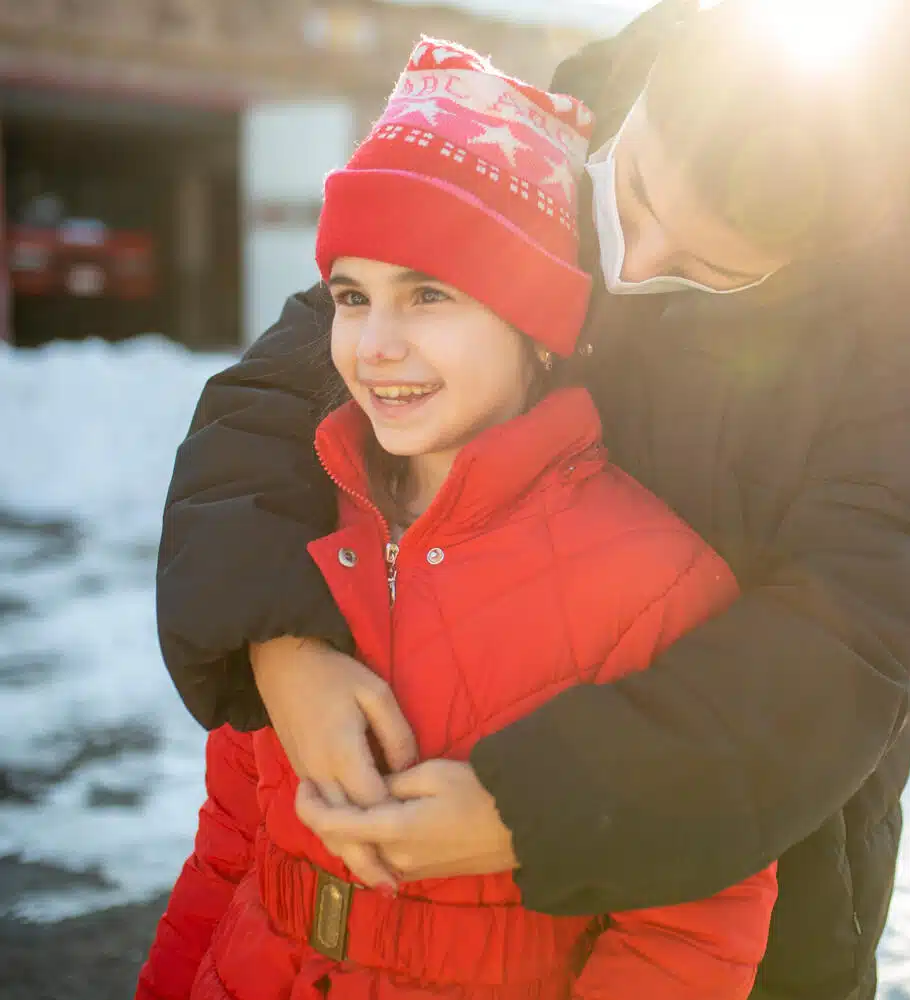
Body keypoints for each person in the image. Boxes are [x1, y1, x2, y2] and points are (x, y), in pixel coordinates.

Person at [153, 1, 910, 997]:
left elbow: (849, 648)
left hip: (730, 899)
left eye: (707, 268)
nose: (629, 264)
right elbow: (274, 405)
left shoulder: (897, 347)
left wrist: (537, 808)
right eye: (633, 190)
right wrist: (280, 645)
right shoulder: (530, 153)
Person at [137, 40, 776, 999]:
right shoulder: (285, 535)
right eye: (352, 297)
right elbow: (229, 841)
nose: (375, 345)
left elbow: (687, 933)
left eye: (429, 295)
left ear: (538, 330)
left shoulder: (656, 579)